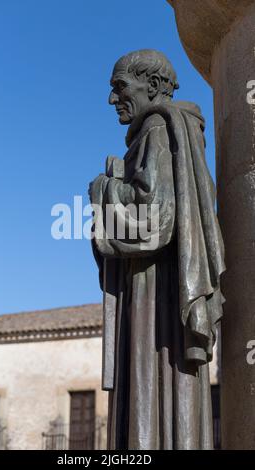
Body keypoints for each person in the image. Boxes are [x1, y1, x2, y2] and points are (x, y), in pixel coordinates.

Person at [89, 49, 225, 450]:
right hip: (159, 280)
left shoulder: (158, 130)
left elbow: (156, 217)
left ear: (151, 85)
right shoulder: (174, 130)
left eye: (120, 87)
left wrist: (103, 188)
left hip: (156, 289)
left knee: (151, 379)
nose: (113, 99)